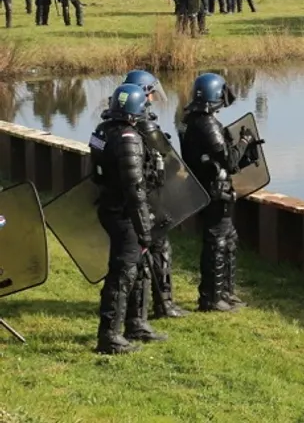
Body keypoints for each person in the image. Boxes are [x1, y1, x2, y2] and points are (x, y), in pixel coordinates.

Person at [89, 83, 167, 354]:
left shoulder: (102, 132)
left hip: (111, 207)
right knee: (123, 273)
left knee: (137, 268)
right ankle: (109, 336)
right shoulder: (128, 138)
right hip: (125, 213)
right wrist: (145, 230)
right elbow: (135, 189)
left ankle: (136, 323)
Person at [180, 73, 261, 312]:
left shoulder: (191, 120)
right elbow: (227, 158)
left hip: (210, 188)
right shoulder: (206, 124)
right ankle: (212, 298)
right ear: (215, 95)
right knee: (217, 242)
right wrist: (245, 141)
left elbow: (219, 158)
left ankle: (225, 292)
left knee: (228, 241)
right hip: (214, 192)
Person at [121, 70, 188, 320]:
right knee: (159, 249)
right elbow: (171, 163)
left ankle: (136, 306)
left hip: (130, 199)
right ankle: (163, 303)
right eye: (149, 93)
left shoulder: (116, 124)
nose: (151, 98)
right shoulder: (145, 126)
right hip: (149, 197)